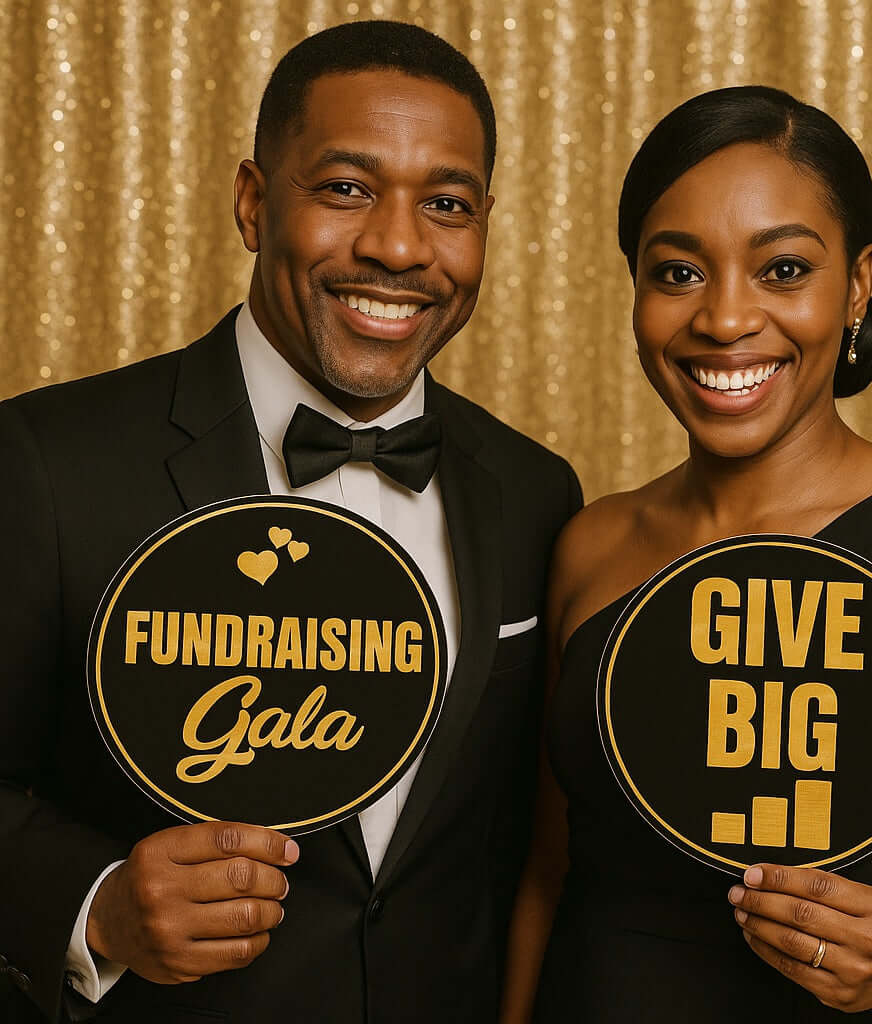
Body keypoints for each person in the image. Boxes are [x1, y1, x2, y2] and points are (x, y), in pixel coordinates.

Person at [0, 20, 581, 1024]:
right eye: (346, 189)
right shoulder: (46, 463)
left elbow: (528, 848)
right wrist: (96, 906)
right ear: (253, 203)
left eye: (445, 205)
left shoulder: (536, 493)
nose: (397, 246)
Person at [500, 86, 872, 1022]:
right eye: (677, 273)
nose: (726, 320)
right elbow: (546, 873)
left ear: (857, 284)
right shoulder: (591, 542)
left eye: (783, 269)